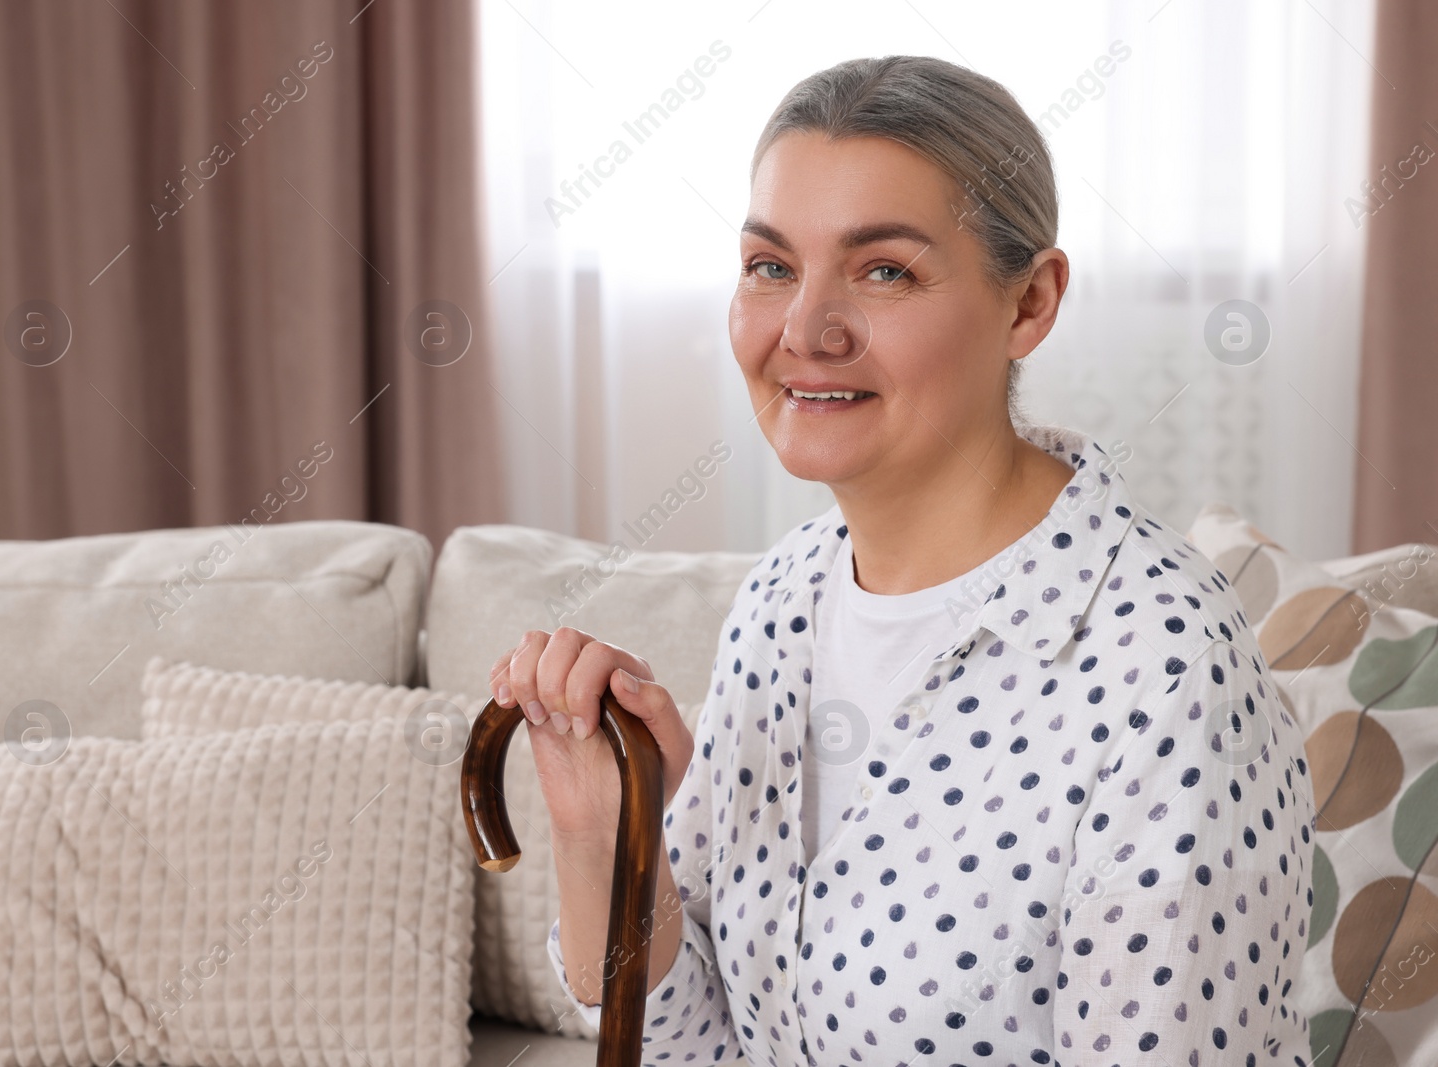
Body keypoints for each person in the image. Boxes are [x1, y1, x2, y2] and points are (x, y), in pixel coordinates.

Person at [489, 54, 1315, 1067]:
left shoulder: (1164, 661)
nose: (805, 327)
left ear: (1029, 303)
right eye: (771, 266)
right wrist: (604, 836)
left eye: (884, 269)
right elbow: (692, 1045)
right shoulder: (782, 601)